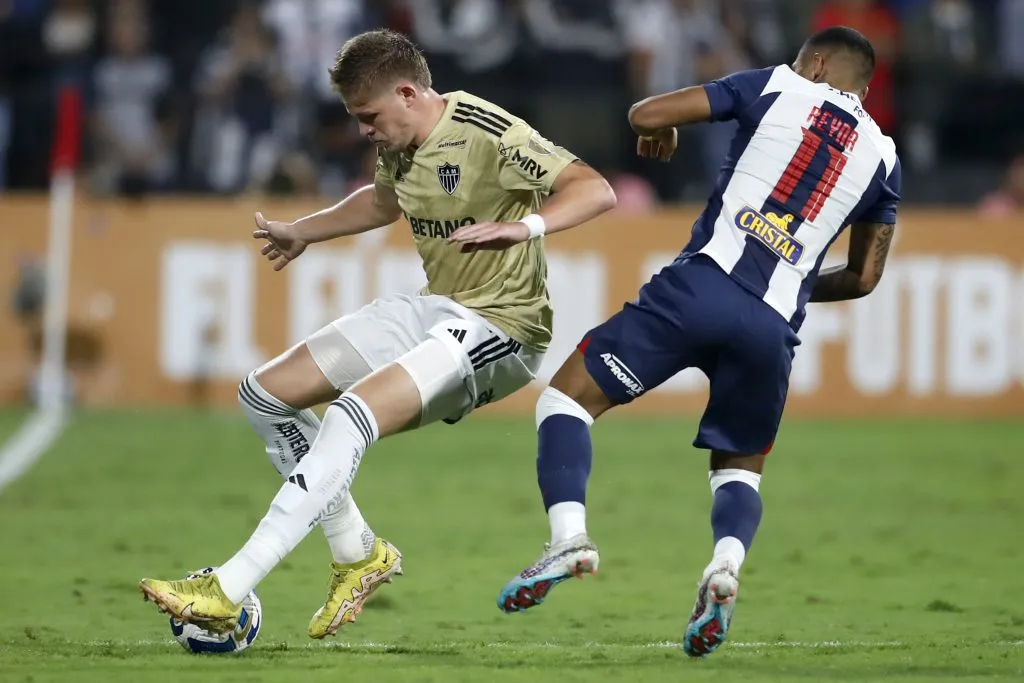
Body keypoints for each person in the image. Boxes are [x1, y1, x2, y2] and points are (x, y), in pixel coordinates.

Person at [139, 28, 616, 639]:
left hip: (503, 327)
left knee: (349, 415)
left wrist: (524, 229)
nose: (364, 130)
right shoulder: (402, 142)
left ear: (410, 93)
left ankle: (229, 586)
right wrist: (306, 230)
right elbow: (384, 203)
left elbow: (594, 189)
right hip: (436, 309)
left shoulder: (488, 130)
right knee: (265, 393)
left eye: (369, 116)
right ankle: (356, 552)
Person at [496, 26, 901, 659]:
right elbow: (864, 277)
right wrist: (788, 284)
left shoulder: (779, 85)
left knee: (566, 402)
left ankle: (569, 538)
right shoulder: (884, 157)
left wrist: (661, 130)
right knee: (740, 467)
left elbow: (645, 111)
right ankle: (724, 569)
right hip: (772, 325)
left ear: (816, 64)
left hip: (701, 287)